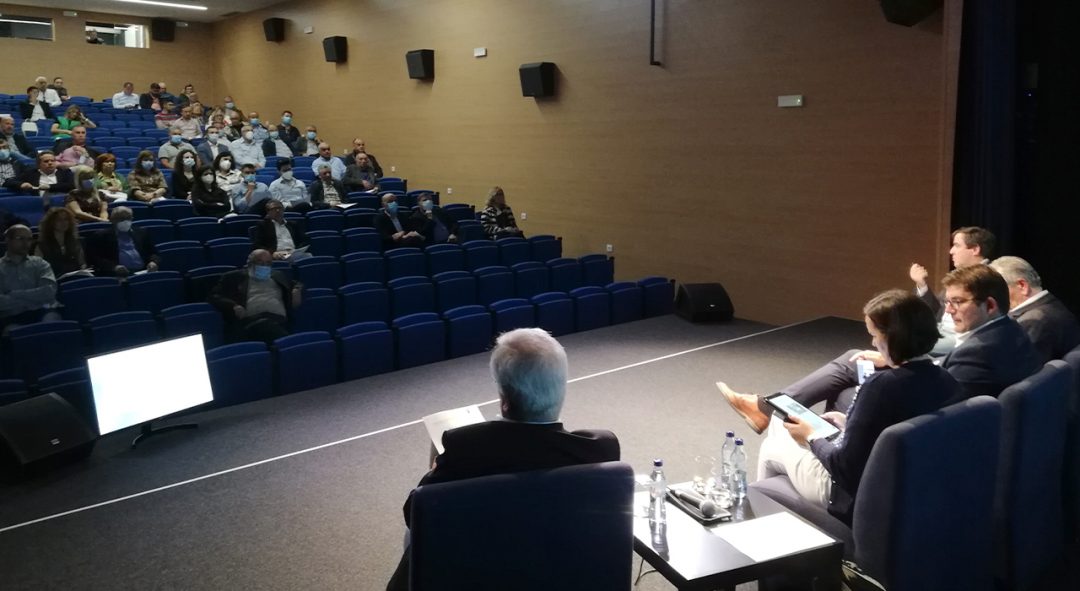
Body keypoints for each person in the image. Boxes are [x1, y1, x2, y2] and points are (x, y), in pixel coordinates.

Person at [385, 328, 621, 591]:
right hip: (556, 568)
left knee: (411, 536)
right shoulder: (599, 448)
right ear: (561, 388)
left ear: (504, 399)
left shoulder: (465, 447)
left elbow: (414, 514)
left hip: (476, 569)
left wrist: (435, 471)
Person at [721, 266, 1041, 435]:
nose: (949, 310)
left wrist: (897, 365)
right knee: (854, 361)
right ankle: (772, 410)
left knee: (848, 391)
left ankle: (837, 452)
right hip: (958, 416)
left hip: (937, 429)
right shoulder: (1009, 331)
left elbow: (941, 393)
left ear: (990, 305)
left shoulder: (981, 350)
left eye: (957, 302)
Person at [754, 290, 959, 525]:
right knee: (781, 422)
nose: (873, 343)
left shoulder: (881, 387)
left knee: (772, 444)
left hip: (852, 495)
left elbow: (844, 468)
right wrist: (847, 424)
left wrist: (810, 438)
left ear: (893, 337)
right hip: (907, 486)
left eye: (875, 335)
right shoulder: (945, 380)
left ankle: (759, 523)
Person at [910, 226, 994, 354]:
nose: (951, 251)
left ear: (975, 249)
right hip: (940, 331)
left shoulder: (990, 278)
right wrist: (921, 285)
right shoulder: (959, 276)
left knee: (902, 342)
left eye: (957, 245)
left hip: (962, 338)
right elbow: (937, 311)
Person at [990, 256, 1080, 363]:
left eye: (998, 291)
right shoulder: (1053, 304)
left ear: (1022, 286)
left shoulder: (1033, 321)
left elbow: (1016, 367)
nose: (995, 298)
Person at [209, 249, 302, 344]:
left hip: (279, 320)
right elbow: (214, 296)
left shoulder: (278, 275)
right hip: (250, 323)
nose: (264, 266)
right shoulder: (233, 277)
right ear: (249, 263)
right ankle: (290, 344)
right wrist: (233, 305)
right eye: (260, 262)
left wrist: (296, 289)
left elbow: (297, 283)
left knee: (270, 328)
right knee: (265, 325)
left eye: (268, 263)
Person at [0, 224, 60, 334]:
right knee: (14, 333)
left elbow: (48, 292)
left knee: (52, 321)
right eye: (20, 238)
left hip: (42, 311)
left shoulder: (40, 263)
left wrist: (14, 294)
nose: (26, 243)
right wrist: (33, 299)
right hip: (11, 317)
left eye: (29, 239)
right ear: (7, 240)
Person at [85, 206, 159, 277]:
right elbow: (95, 259)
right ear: (112, 220)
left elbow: (153, 252)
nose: (125, 221)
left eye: (128, 218)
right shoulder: (100, 236)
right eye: (121, 218)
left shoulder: (141, 232)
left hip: (144, 271)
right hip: (116, 275)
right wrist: (114, 267)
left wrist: (153, 262)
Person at [34, 207, 85, 277]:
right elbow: (37, 269)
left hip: (75, 278)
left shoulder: (75, 242)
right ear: (51, 223)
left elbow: (82, 263)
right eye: (59, 220)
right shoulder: (42, 246)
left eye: (66, 219)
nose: (63, 222)